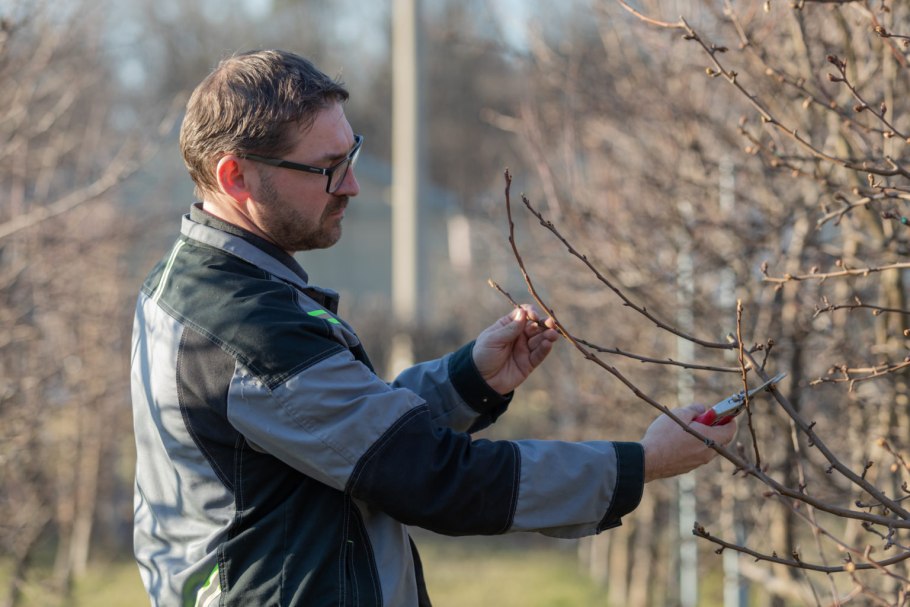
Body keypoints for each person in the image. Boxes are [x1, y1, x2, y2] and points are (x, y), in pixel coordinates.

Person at [130, 49, 736, 607]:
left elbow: (341, 438)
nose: (351, 184)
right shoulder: (245, 329)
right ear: (235, 177)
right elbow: (428, 476)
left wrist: (467, 380)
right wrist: (640, 464)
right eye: (326, 168)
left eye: (352, 154)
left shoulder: (195, 286)